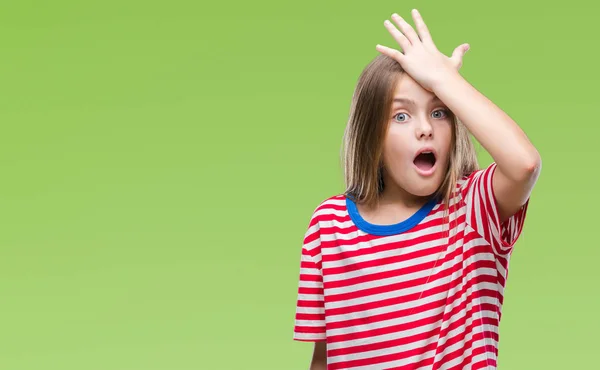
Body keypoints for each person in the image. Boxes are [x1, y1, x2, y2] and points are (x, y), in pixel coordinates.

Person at [292, 8, 542, 370]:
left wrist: (444, 81)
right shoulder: (329, 225)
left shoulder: (471, 209)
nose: (425, 128)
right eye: (402, 115)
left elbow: (524, 164)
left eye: (439, 112)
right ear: (372, 136)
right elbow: (323, 359)